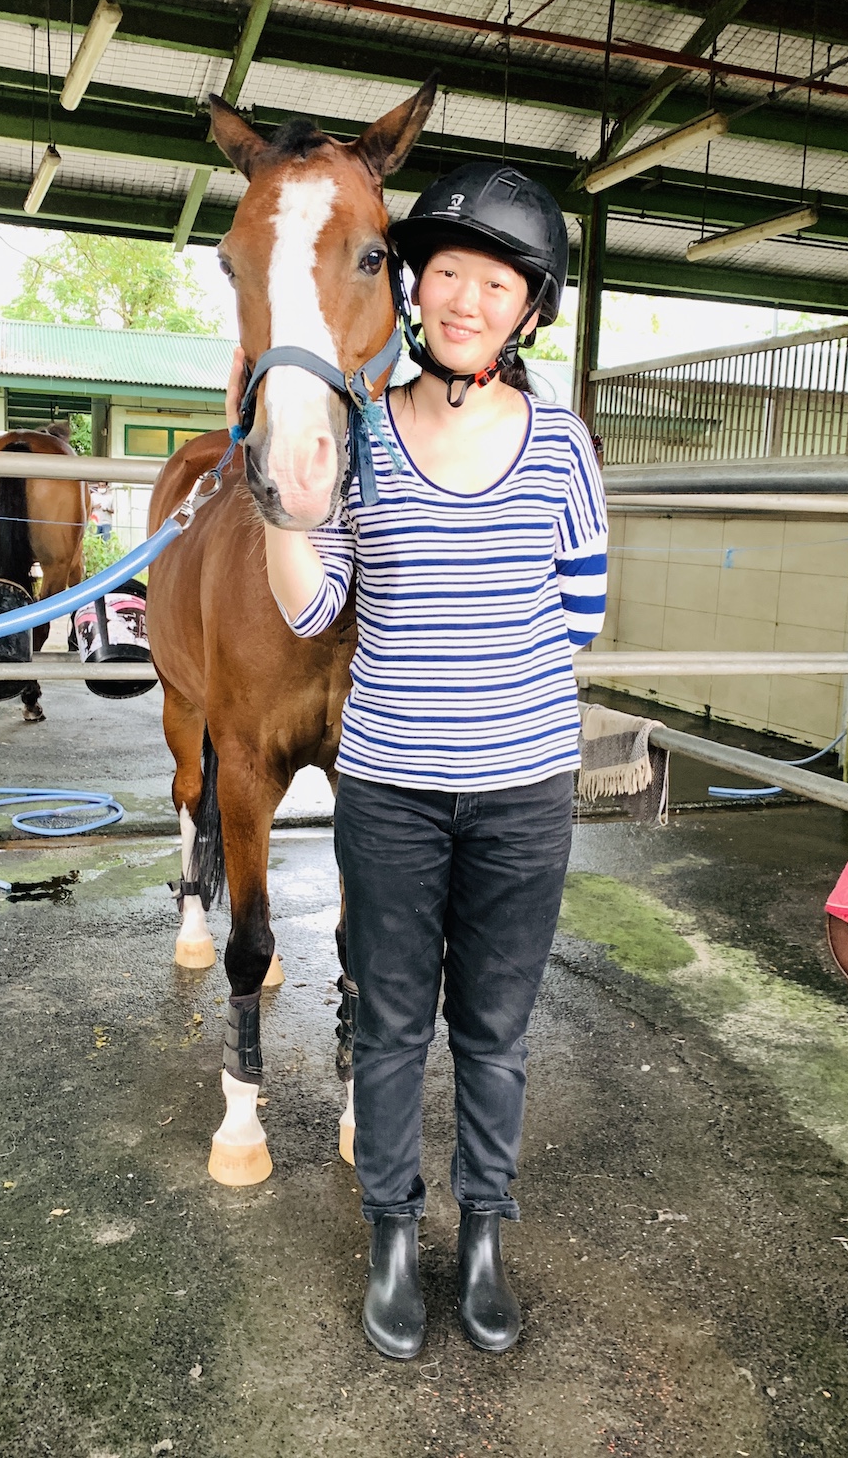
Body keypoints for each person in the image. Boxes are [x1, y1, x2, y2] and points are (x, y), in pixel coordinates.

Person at [257, 164, 609, 1359]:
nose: (464, 297)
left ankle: (490, 1235)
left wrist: (486, 704)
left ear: (526, 308)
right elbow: (316, 614)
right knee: (395, 1025)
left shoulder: (563, 444)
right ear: (416, 289)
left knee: (498, 1033)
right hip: (392, 795)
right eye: (446, 271)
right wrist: (279, 508)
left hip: (521, 796)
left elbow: (578, 615)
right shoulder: (360, 441)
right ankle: (394, 1236)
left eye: (493, 280)